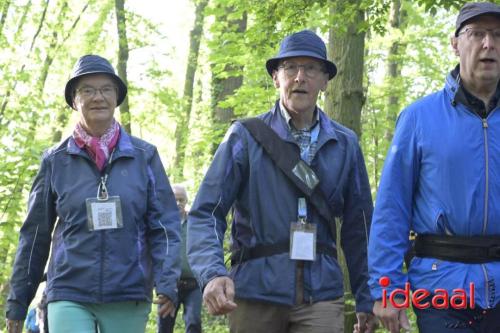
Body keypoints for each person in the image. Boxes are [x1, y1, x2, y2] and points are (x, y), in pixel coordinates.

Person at [187, 29, 376, 333]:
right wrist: (211, 273)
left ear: (325, 80)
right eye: (290, 67)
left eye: (311, 68)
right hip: (254, 292)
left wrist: (368, 296)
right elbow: (206, 212)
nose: (300, 77)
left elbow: (360, 227)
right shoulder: (245, 136)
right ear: (276, 77)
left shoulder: (345, 143)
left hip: (322, 296)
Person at [5, 54, 180, 333]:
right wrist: (18, 300)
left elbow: (165, 226)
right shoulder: (55, 160)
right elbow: (34, 235)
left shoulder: (145, 156)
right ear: (74, 100)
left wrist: (167, 281)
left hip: (128, 292)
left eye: (106, 89)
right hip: (69, 290)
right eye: (87, 90)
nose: (98, 97)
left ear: (116, 97)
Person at [368, 2, 500, 332]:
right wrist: (388, 289)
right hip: (442, 288)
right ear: (456, 43)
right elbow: (391, 209)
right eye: (477, 34)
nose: (489, 44)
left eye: (498, 35)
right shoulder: (418, 118)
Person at [158, 184, 202, 333]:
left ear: (186, 201)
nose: (178, 203)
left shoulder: (195, 223)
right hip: (170, 285)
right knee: (164, 325)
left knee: (194, 322)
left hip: (193, 284)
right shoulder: (160, 224)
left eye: (181, 200)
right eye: (175, 199)